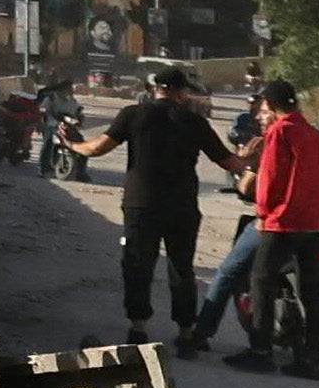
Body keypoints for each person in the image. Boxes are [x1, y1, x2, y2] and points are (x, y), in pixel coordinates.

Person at [187, 76, 319, 364]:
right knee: (311, 288)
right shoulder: (315, 136)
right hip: (316, 223)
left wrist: (263, 214)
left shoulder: (279, 133)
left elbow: (269, 179)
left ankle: (252, 348)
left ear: (270, 106)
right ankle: (311, 356)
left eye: (263, 108)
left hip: (281, 221)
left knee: (249, 277)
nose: (261, 114)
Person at [97, 65, 231, 341]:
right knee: (181, 269)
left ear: (154, 89)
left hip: (141, 204)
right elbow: (229, 161)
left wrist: (73, 144)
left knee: (137, 266)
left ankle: (139, 327)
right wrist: (252, 158)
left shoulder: (133, 115)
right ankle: (185, 332)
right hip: (182, 206)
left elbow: (98, 148)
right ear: (182, 92)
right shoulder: (195, 123)